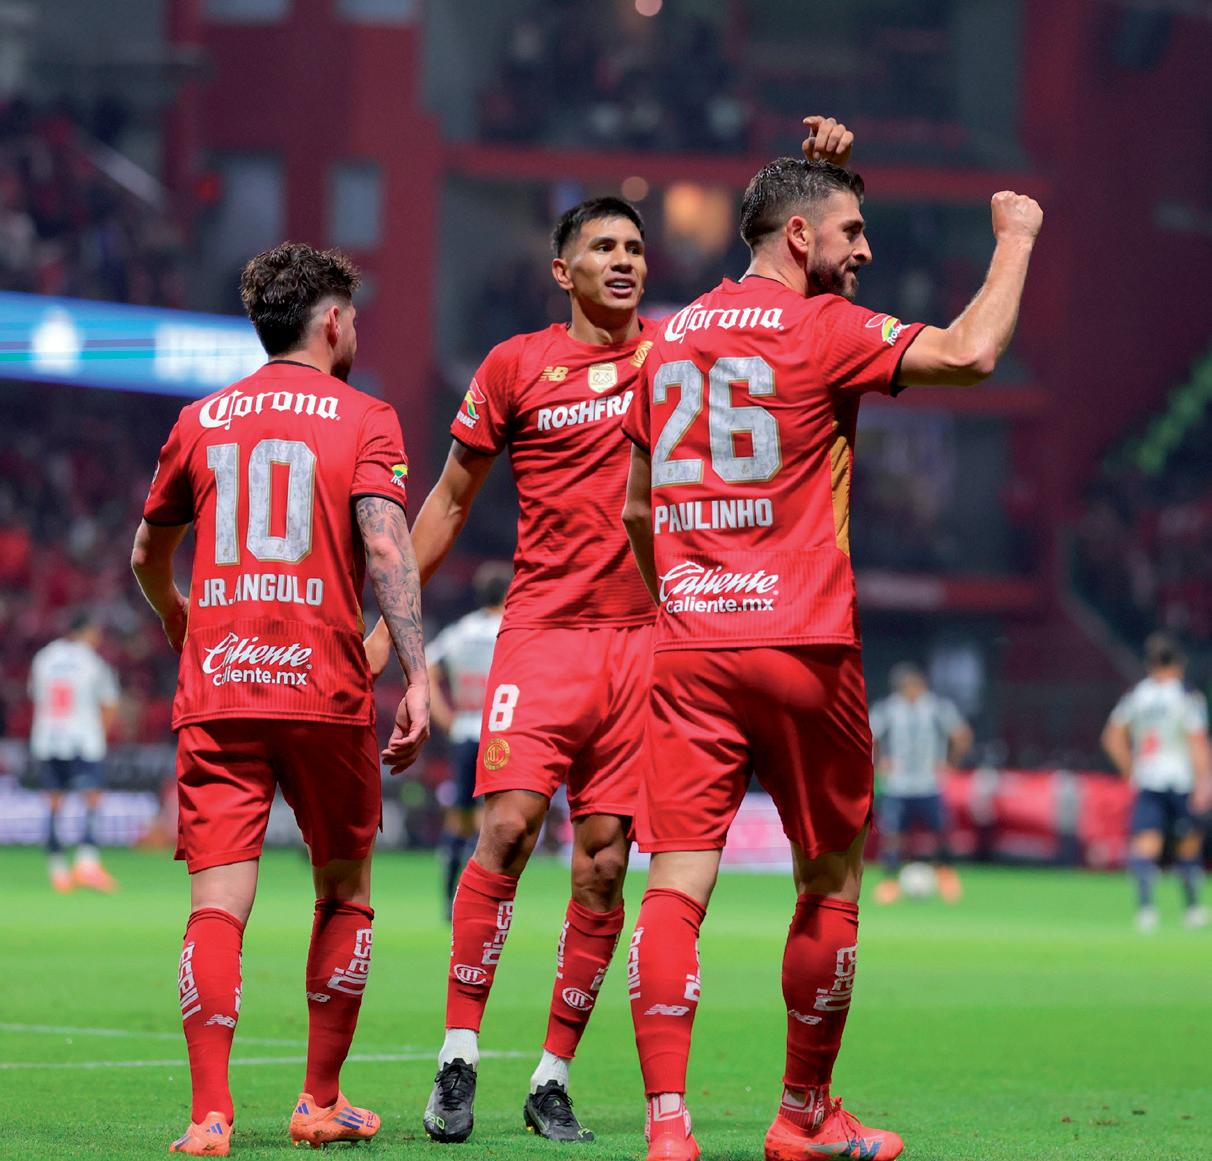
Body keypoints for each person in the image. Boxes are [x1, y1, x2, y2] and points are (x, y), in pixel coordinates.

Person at [366, 117, 861, 1148]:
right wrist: (386, 640)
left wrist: (822, 180)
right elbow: (448, 503)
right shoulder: (515, 366)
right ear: (563, 270)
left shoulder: (679, 350)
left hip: (652, 644)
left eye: (636, 246)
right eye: (603, 246)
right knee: (507, 827)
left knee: (603, 863)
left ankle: (552, 1075)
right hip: (542, 634)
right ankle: (457, 1054)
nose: (625, 260)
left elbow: (791, 292)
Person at [621, 158, 1042, 1161]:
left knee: (675, 885)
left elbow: (636, 509)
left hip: (690, 645)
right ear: (799, 237)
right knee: (831, 876)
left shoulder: (665, 338)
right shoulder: (825, 327)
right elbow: (974, 352)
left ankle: (668, 1127)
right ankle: (802, 1116)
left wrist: (682, 595)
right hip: (802, 642)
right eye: (852, 231)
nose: (866, 249)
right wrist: (1016, 237)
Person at [130, 241, 429, 1157]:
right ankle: (318, 1100)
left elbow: (146, 553)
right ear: (332, 321)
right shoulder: (366, 416)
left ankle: (209, 1116)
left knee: (218, 903)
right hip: (324, 687)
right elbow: (387, 546)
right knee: (344, 891)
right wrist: (417, 674)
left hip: (220, 686)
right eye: (353, 315)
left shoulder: (200, 419)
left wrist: (178, 613)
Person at [1101, 632, 1211, 932]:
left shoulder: (1138, 695)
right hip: (1181, 780)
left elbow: (1111, 737)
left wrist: (1130, 769)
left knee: (1145, 845)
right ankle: (1193, 910)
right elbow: (1197, 741)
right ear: (1179, 663)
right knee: (1188, 845)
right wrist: (1205, 781)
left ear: (1150, 664)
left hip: (1148, 779)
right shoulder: (1186, 696)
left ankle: (1146, 910)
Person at [427, 561, 511, 919]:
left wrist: (444, 716)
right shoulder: (510, 630)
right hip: (501, 734)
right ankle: (483, 902)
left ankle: (449, 900)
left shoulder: (460, 631)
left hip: (463, 732)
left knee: (458, 819)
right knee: (491, 819)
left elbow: (427, 667)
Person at [28, 612, 121, 893]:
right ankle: (87, 863)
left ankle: (57, 869)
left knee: (53, 802)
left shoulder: (44, 658)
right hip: (83, 740)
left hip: (48, 738)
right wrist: (100, 735)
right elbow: (109, 703)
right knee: (92, 798)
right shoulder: (92, 662)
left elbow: (34, 696)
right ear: (87, 632)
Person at [869, 662, 972, 904]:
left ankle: (945, 874)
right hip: (898, 785)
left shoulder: (937, 708)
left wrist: (951, 764)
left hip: (929, 783)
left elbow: (961, 735)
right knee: (893, 834)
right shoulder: (888, 709)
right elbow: (868, 736)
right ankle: (890, 881)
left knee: (940, 831)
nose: (912, 690)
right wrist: (878, 763)